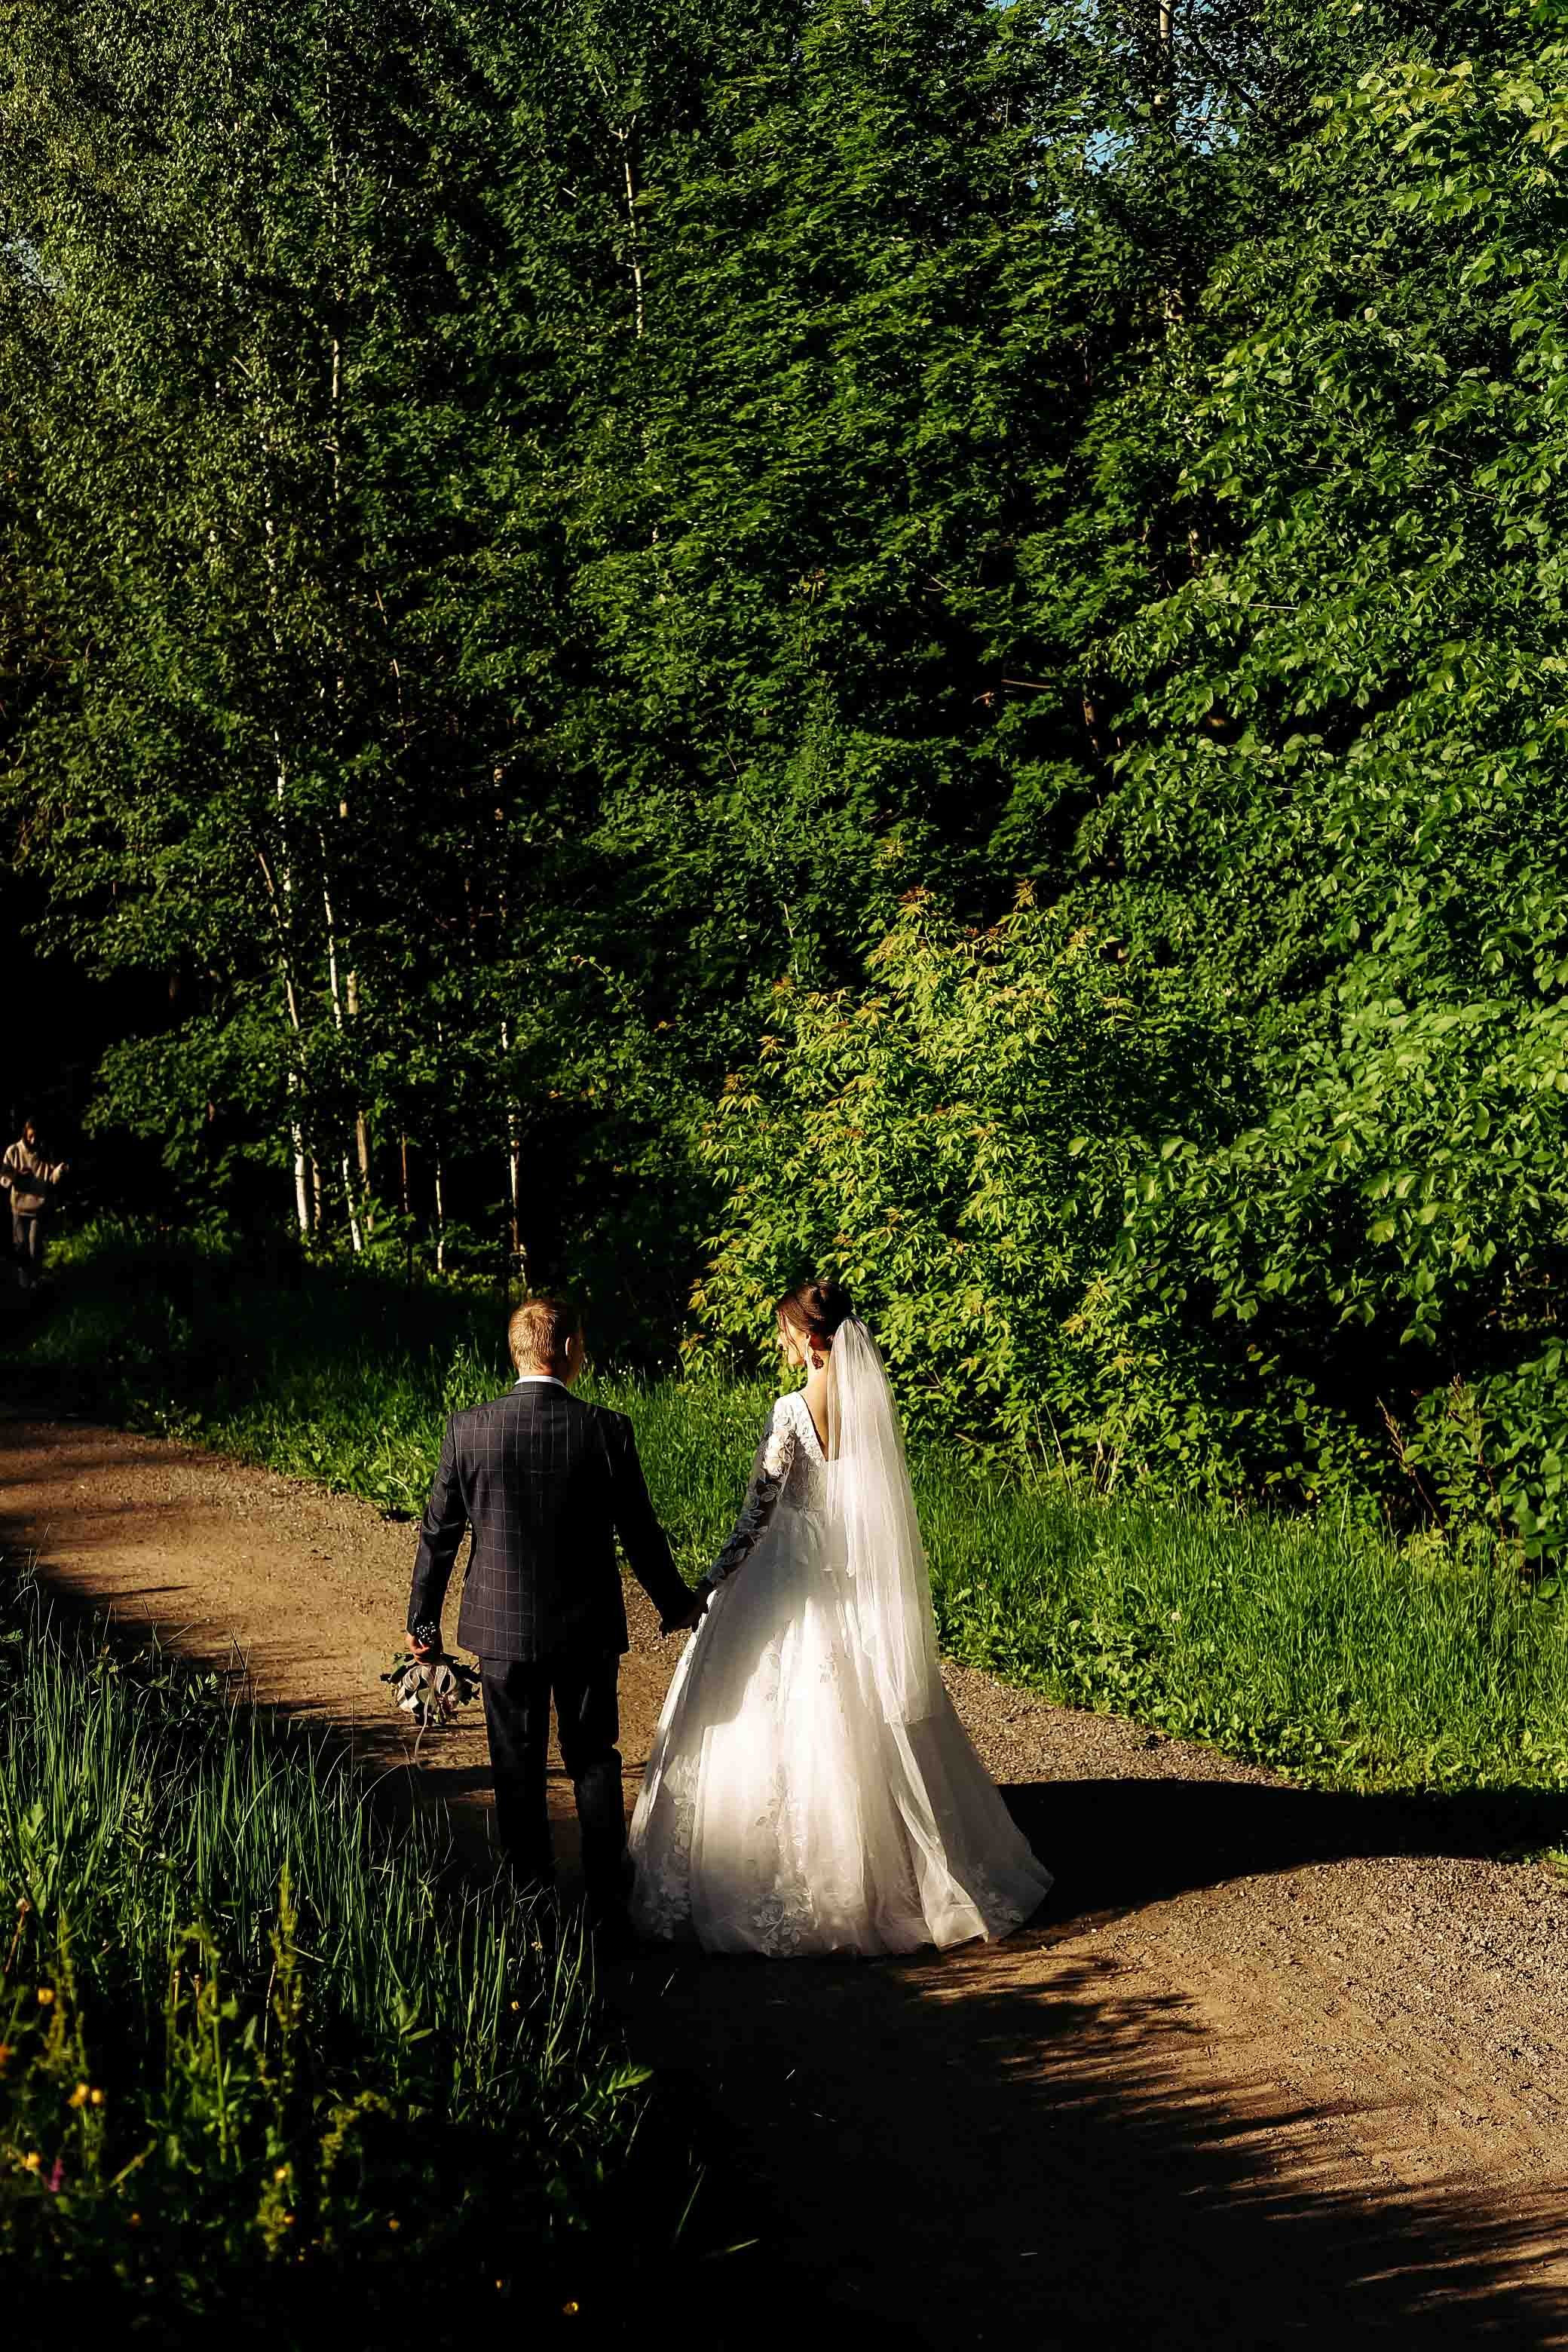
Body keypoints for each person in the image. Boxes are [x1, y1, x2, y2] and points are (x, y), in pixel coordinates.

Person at [629, 1277, 1052, 1955]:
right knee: (863, 1718)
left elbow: (758, 1512)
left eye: (785, 1332)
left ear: (809, 1339)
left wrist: (708, 1583)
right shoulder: (868, 1407)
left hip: (787, 1575)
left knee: (776, 1718)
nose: (780, 1342)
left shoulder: (792, 1407)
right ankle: (904, 1873)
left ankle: (799, 1887)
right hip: (849, 1579)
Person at [405, 1295, 702, 1937]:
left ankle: (531, 1908)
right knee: (593, 1758)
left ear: (517, 1353)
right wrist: (676, 1602)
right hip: (586, 1627)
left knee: (517, 1764)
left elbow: (439, 1535)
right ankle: (606, 1909)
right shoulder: (605, 1429)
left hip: (502, 1630)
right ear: (566, 1350)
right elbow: (641, 1534)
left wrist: (422, 1623)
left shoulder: (468, 1428)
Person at [2, 1117, 69, 1291]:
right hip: (19, 1207)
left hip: (38, 1208)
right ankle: (23, 1285)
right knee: (21, 1247)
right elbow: (4, 1179)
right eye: (30, 1137)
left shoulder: (44, 1153)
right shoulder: (13, 1151)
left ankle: (34, 1284)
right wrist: (17, 1175)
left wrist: (59, 1171)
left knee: (34, 1248)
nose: (33, 1141)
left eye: (36, 1137)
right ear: (25, 1134)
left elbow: (51, 1179)